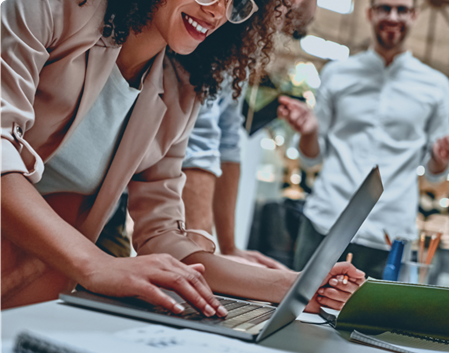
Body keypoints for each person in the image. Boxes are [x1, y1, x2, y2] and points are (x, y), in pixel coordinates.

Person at [0, 0, 364, 313]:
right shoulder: (52, 9)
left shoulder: (180, 86)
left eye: (234, 1)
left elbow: (163, 234)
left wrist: (295, 286)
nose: (216, 11)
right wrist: (96, 264)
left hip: (33, 288)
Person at [278, 0, 449, 277]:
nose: (393, 16)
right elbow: (310, 157)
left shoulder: (437, 86)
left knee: (376, 320)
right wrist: (309, 133)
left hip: (390, 234)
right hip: (326, 221)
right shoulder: (336, 74)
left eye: (402, 9)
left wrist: (440, 158)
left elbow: (436, 173)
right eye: (384, 8)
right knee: (301, 312)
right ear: (369, 13)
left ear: (414, 16)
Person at [181, 0, 317, 270]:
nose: (277, 26)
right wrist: (203, 253)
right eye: (282, 9)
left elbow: (228, 139)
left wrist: (229, 248)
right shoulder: (213, 23)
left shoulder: (244, 39)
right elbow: (200, 138)